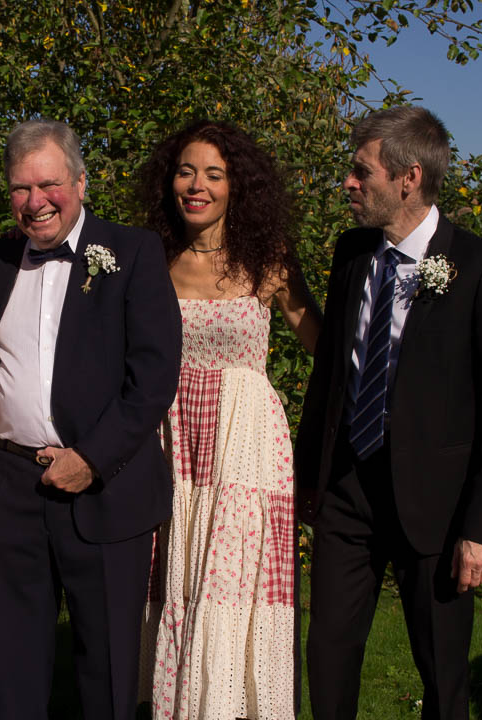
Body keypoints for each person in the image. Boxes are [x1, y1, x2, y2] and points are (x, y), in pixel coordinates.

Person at [295, 105, 482, 719]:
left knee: (442, 670)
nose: (348, 183)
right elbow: (333, 375)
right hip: (349, 491)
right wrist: (309, 483)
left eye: (360, 171)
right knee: (327, 656)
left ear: (408, 177)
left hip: (439, 505)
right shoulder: (352, 254)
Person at [0, 119, 182, 720]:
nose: (35, 202)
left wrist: (90, 459)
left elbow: (154, 374)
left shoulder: (133, 252)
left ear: (81, 183)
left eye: (49, 184)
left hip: (104, 483)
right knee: (16, 652)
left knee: (108, 662)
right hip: (11, 484)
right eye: (20, 188)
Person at [136, 120, 322, 719]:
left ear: (238, 186)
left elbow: (326, 346)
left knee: (232, 584)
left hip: (243, 443)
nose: (197, 185)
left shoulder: (266, 262)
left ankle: (229, 704)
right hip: (170, 441)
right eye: (186, 171)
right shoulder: (151, 259)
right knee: (174, 574)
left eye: (214, 174)